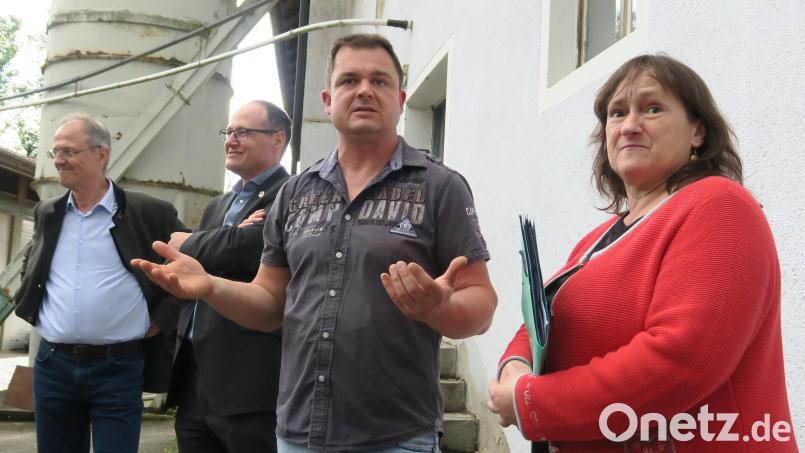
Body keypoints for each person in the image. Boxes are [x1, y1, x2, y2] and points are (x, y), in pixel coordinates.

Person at [132, 33, 498, 452]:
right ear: (328, 99)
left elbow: (481, 304)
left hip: (395, 435)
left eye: (379, 81)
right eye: (349, 80)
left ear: (400, 99)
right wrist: (212, 287)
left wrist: (442, 309)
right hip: (298, 432)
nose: (363, 89)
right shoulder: (294, 193)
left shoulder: (439, 187)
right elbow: (270, 305)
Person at [487, 54, 797, 452]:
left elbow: (681, 359)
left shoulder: (718, 206)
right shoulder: (597, 238)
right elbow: (540, 321)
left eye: (652, 108)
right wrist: (516, 369)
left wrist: (533, 401)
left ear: (698, 131)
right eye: (617, 114)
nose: (630, 126)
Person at [14, 113, 186, 453]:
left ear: (101, 153)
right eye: (55, 152)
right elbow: (30, 263)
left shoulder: (148, 212)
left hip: (118, 367)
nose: (59, 160)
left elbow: (191, 266)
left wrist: (160, 321)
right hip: (54, 365)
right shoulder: (48, 212)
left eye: (68, 151)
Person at [165, 100, 291, 453]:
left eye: (243, 132)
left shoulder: (290, 194)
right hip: (194, 382)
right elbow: (187, 262)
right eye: (229, 132)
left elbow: (251, 249)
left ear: (277, 139)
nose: (231, 140)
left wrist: (193, 242)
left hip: (248, 385)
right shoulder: (217, 206)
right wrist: (227, 241)